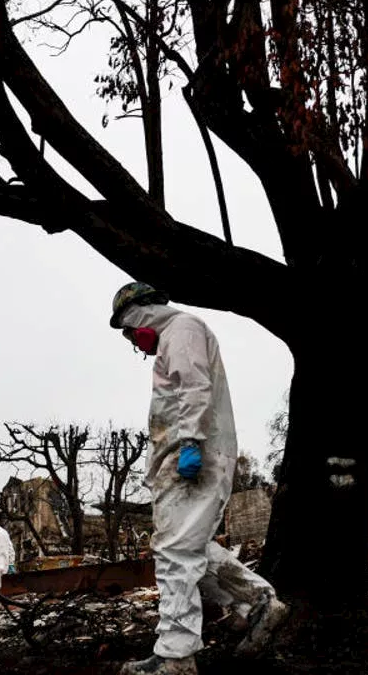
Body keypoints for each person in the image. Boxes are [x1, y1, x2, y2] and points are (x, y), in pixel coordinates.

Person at [110, 282, 289, 675]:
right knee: (187, 548)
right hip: (186, 455)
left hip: (193, 457)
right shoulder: (178, 334)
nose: (133, 341)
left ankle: (176, 656)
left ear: (141, 312)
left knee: (175, 555)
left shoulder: (181, 330)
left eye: (127, 330)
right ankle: (258, 602)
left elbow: (194, 388)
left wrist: (190, 442)